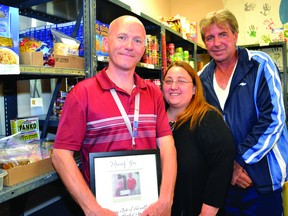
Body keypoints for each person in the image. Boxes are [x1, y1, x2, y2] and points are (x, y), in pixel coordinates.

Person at [52, 15, 177, 216]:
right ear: (106, 42)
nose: (129, 46)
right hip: (103, 210)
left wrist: (166, 198)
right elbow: (60, 156)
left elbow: (167, 146)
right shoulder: (81, 94)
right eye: (121, 37)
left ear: (143, 49)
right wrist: (92, 209)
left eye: (137, 41)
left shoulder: (153, 93)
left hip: (150, 208)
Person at [198, 9, 288, 216]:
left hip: (261, 179)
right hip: (223, 184)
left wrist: (239, 162)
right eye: (210, 38)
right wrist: (226, 169)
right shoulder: (202, 78)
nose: (217, 42)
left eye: (223, 34)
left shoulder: (260, 64)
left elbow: (273, 119)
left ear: (236, 35)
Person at [163, 61, 235, 216]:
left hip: (197, 210)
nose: (173, 86)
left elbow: (222, 165)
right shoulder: (155, 118)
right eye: (168, 81)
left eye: (181, 81)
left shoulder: (206, 118)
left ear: (195, 88)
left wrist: (207, 212)